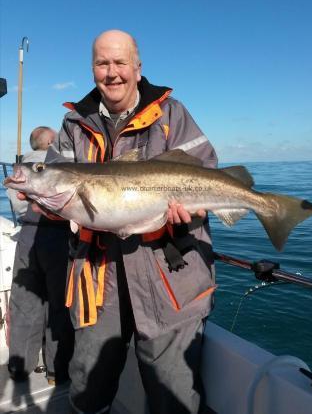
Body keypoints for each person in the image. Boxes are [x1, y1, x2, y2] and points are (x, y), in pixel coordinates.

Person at [37, 30, 218, 413]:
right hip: (97, 278)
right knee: (88, 384)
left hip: (169, 276)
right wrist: (41, 199)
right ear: (92, 69)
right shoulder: (74, 123)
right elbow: (57, 187)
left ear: (138, 67)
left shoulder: (172, 115)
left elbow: (206, 169)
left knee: (173, 393)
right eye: (102, 63)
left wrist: (190, 211)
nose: (112, 72)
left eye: (120, 62)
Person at [7, 126, 74, 385]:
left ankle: (19, 365)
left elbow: (16, 202)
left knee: (25, 302)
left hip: (27, 236)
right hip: (57, 236)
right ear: (51, 144)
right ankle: (56, 370)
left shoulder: (18, 168)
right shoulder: (55, 167)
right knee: (59, 304)